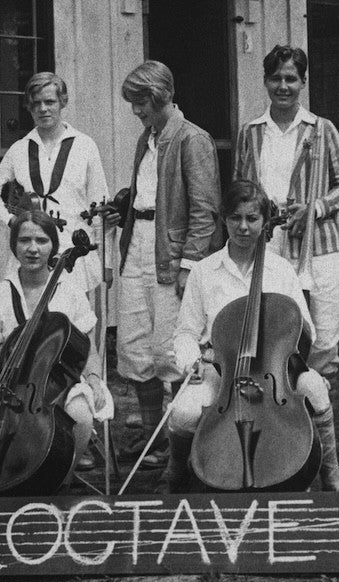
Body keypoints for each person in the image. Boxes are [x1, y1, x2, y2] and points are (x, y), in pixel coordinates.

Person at [168, 179, 339, 493]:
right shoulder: (204, 271)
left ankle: (332, 477)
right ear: (224, 220)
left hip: (276, 369)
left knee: (315, 389)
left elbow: (306, 332)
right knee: (183, 412)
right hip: (221, 369)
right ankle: (178, 478)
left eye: (252, 219)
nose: (243, 227)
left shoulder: (281, 270)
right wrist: (192, 362)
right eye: (235, 218)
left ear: (265, 223)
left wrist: (286, 327)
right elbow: (186, 332)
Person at [116, 60, 221, 467]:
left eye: (139, 102)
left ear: (158, 97)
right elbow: (148, 195)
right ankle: (151, 435)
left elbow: (205, 209)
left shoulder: (192, 139)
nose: (135, 111)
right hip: (137, 246)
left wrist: (189, 264)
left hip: (171, 253)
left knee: (171, 349)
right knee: (135, 344)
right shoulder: (148, 138)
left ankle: (182, 436)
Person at [0, 211, 111, 484]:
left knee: (80, 412)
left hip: (62, 384)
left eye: (41, 240)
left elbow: (88, 351)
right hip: (13, 386)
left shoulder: (70, 292)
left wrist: (96, 380)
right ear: (14, 246)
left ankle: (61, 476)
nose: (32, 248)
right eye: (24, 240)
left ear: (53, 245)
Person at [234, 44, 339, 380]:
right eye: (276, 78)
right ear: (266, 81)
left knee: (324, 333)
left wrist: (315, 208)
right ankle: (281, 409)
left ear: (303, 82)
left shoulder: (321, 129)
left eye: (291, 78)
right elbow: (240, 189)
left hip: (318, 246)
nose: (283, 86)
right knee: (274, 328)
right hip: (269, 245)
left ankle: (320, 415)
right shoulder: (251, 131)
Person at [0, 71, 114, 293]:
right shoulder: (18, 150)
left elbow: (100, 208)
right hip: (31, 256)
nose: (43, 109)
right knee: (31, 322)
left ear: (62, 102)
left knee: (75, 325)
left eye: (50, 102)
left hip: (76, 255)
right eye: (36, 103)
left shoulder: (85, 145)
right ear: (29, 106)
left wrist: (107, 262)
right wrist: (15, 222)